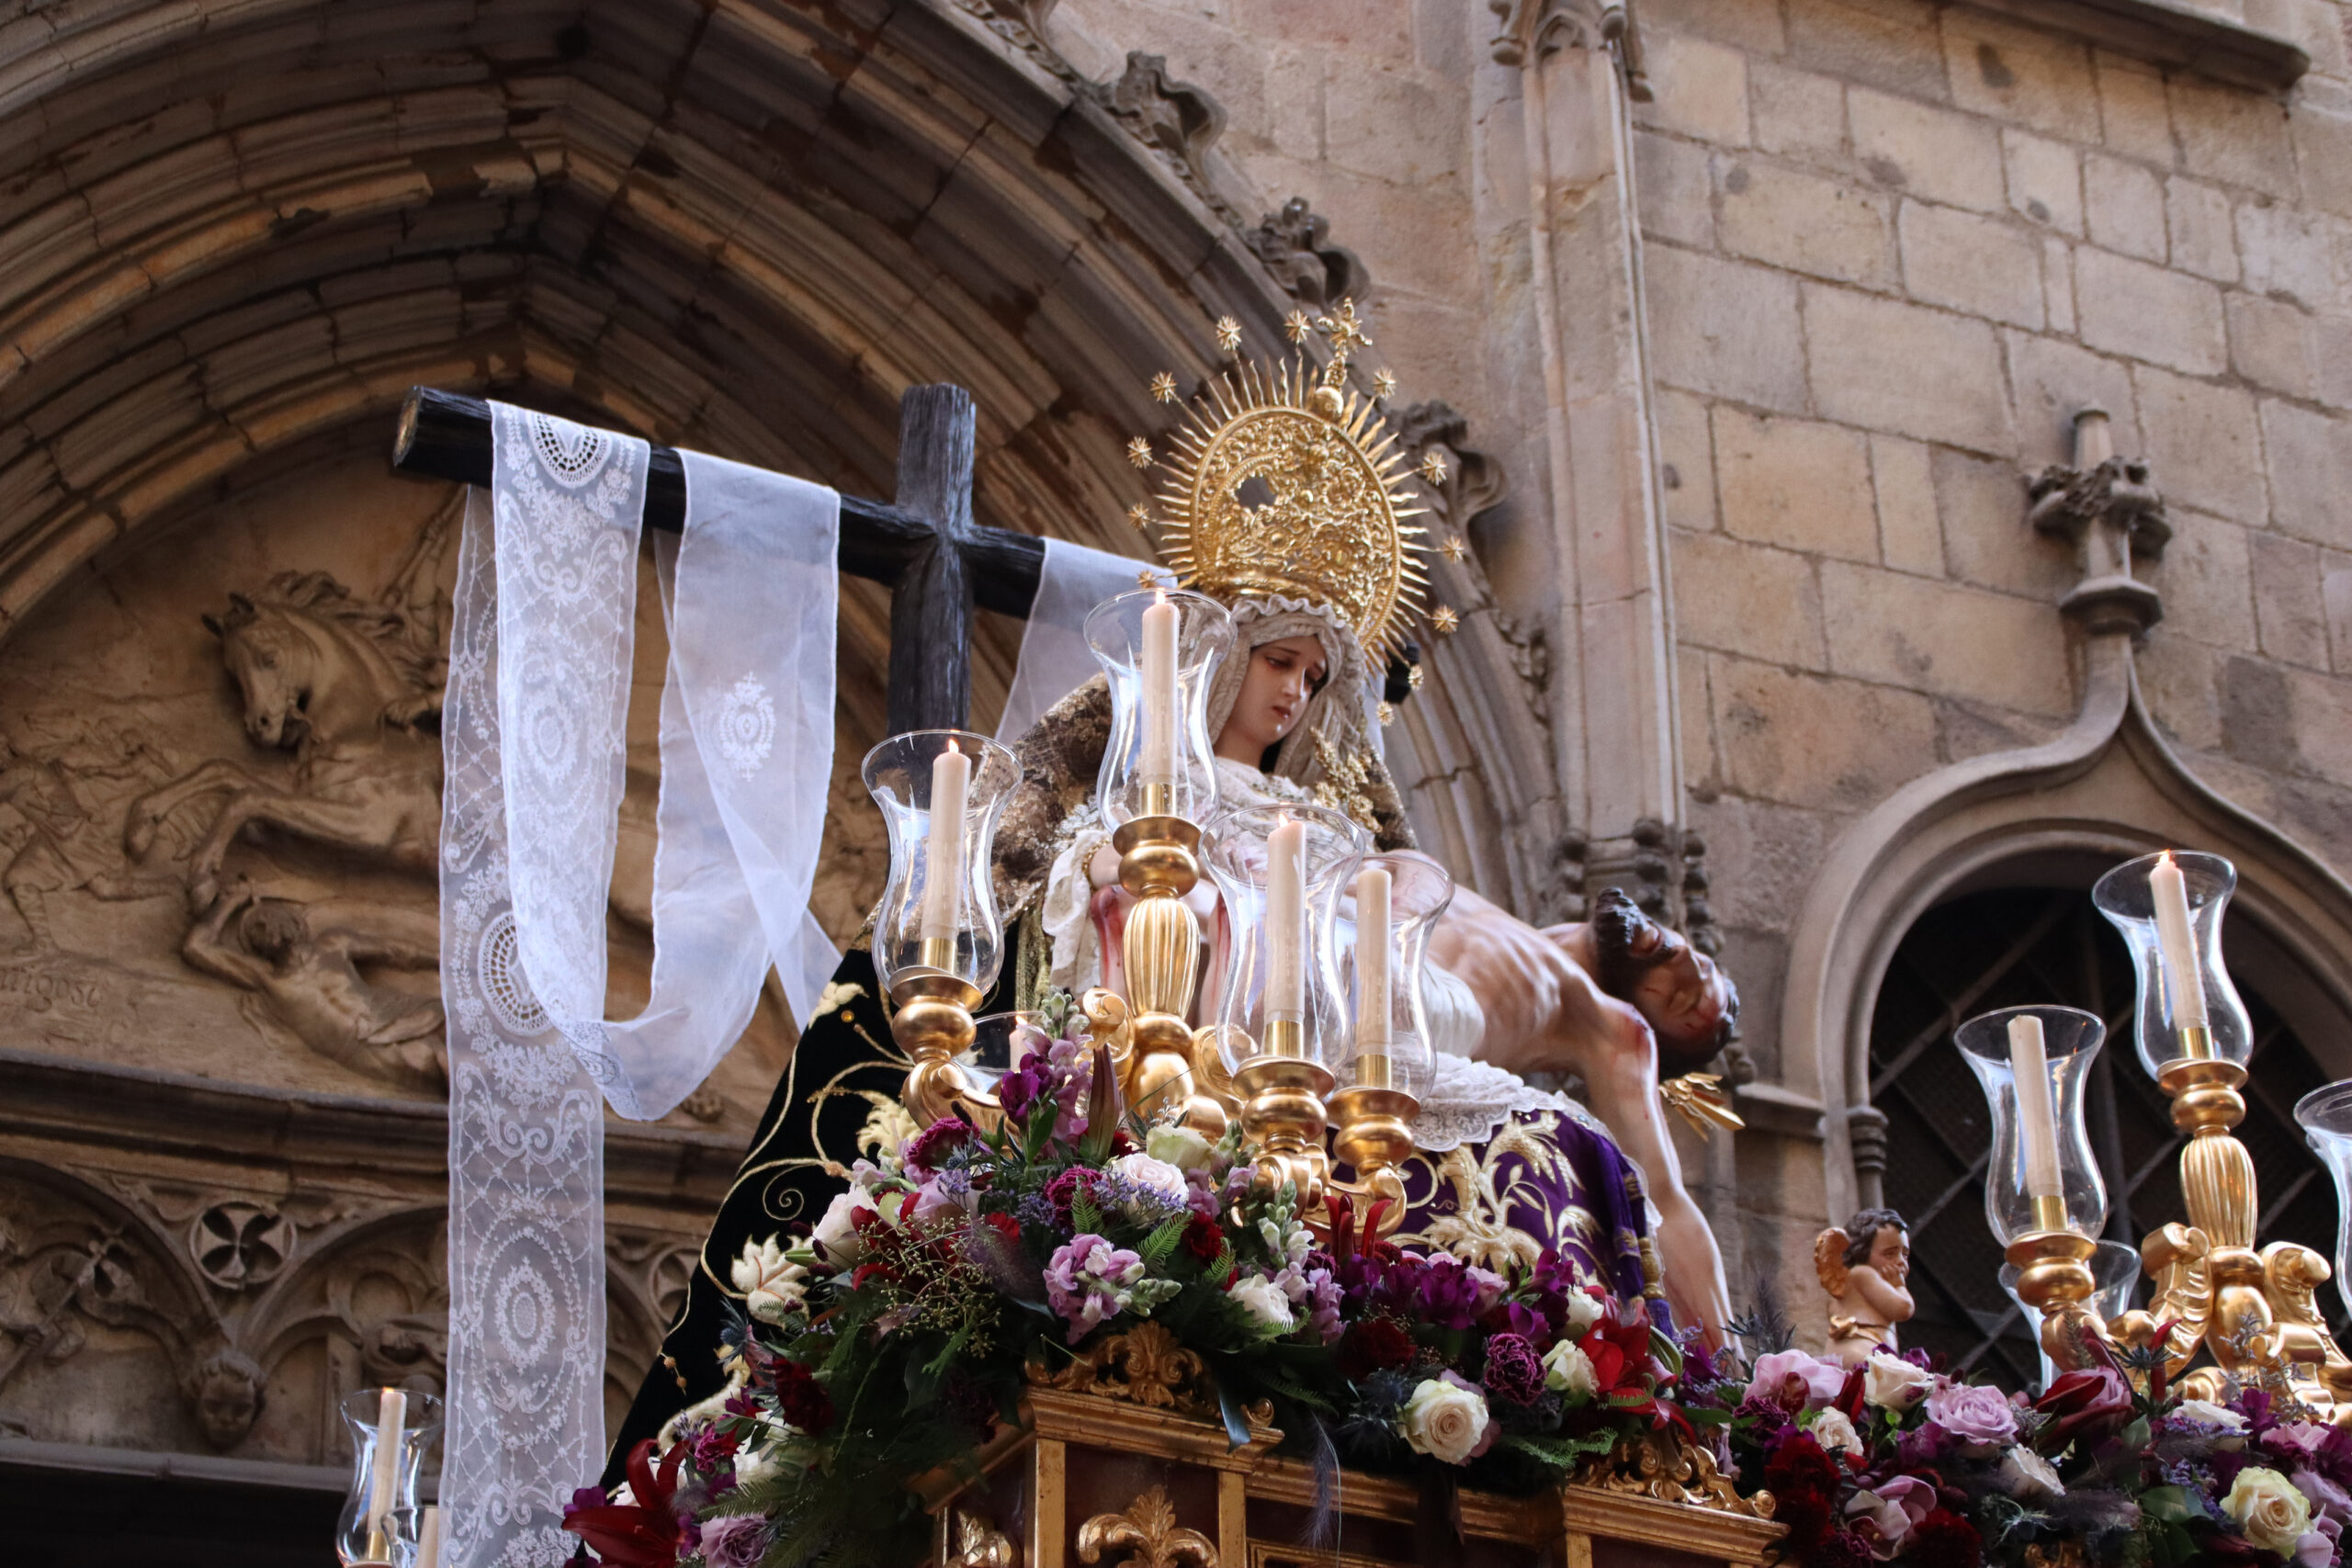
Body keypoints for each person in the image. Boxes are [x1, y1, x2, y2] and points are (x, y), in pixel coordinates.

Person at [181, 879, 446, 1090]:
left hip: (392, 1011)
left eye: (270, 917)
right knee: (442, 1067)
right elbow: (196, 948)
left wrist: (447, 962)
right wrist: (228, 902)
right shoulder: (266, 979)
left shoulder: (332, 943)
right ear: (258, 949)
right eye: (255, 930)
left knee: (461, 1026)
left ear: (295, 922)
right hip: (364, 1049)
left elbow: (397, 953)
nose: (264, 926)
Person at [1815, 1207, 1914, 1366]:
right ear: (1862, 1251)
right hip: (1862, 1351)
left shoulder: (1853, 1279)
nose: (1901, 1261)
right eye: (1889, 1254)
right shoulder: (1864, 1274)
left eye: (1905, 1254)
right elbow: (1903, 1309)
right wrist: (1899, 1286)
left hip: (1862, 1349)